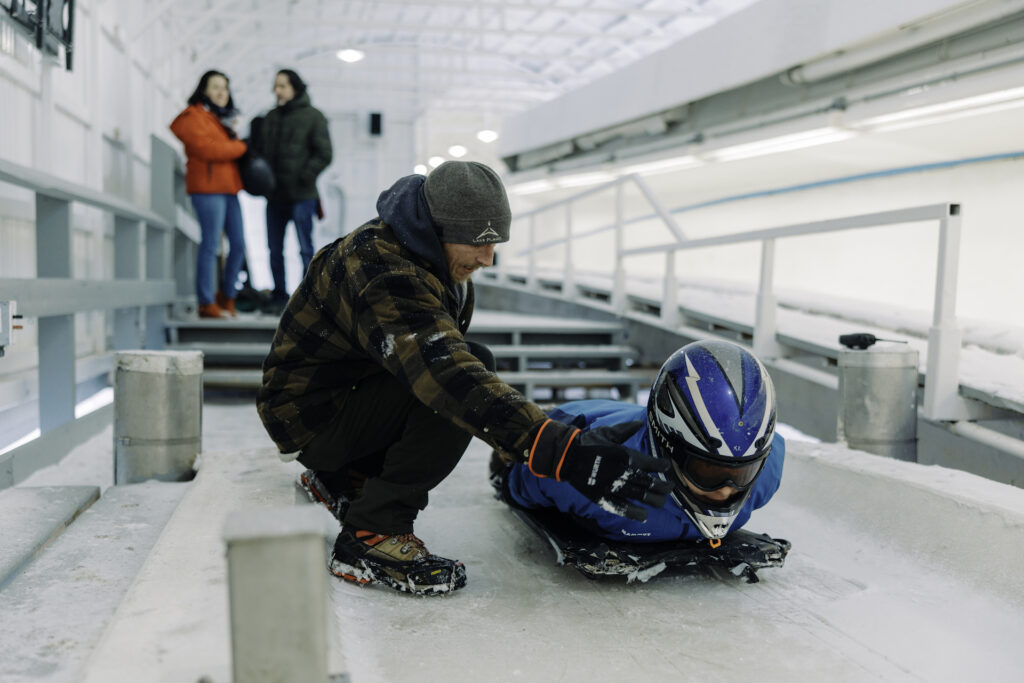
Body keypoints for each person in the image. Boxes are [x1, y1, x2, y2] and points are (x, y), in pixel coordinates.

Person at [256, 161, 672, 595]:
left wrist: (541, 435)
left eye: (495, 244)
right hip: (310, 417)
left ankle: (348, 476)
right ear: (437, 227)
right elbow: (446, 374)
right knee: (455, 386)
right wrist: (554, 447)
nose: (487, 258)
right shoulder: (384, 266)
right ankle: (372, 534)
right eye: (477, 242)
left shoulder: (426, 256)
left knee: (475, 363)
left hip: (344, 398)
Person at [494, 340, 785, 544]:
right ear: (668, 448)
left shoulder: (767, 472)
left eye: (741, 474)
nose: (725, 491)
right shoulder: (593, 479)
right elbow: (522, 476)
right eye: (708, 472)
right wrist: (509, 481)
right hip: (576, 418)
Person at [170, 70, 248, 318]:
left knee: (238, 245)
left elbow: (220, 148)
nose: (221, 92)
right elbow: (208, 150)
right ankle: (206, 301)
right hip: (207, 189)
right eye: (215, 87)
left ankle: (227, 296)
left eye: (225, 87)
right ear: (203, 90)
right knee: (211, 244)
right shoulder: (192, 116)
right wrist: (241, 147)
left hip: (229, 188)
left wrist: (234, 142)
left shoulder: (223, 120)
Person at [253, 69, 333, 311]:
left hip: (302, 195)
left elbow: (325, 154)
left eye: (282, 86)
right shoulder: (271, 117)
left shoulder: (314, 117)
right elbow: (261, 153)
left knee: (305, 247)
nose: (277, 91)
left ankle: (307, 299)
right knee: (274, 249)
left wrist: (304, 176)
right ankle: (279, 297)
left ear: (295, 88)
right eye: (275, 86)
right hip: (275, 196)